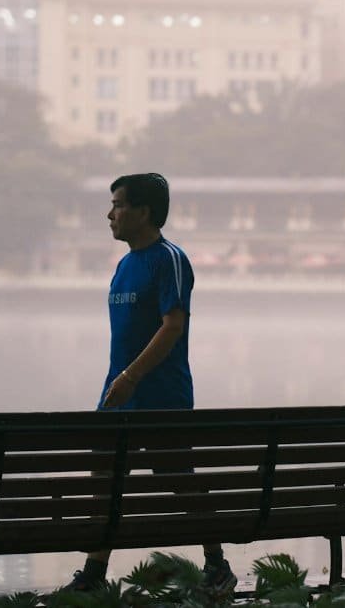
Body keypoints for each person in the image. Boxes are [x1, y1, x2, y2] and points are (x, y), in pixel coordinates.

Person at [64, 173, 236, 596]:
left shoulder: (169, 258)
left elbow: (173, 325)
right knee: (105, 479)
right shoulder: (124, 266)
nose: (110, 214)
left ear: (144, 212)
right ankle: (93, 574)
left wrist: (131, 377)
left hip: (160, 396)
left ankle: (217, 565)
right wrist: (118, 383)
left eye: (118, 205)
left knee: (179, 479)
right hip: (117, 394)